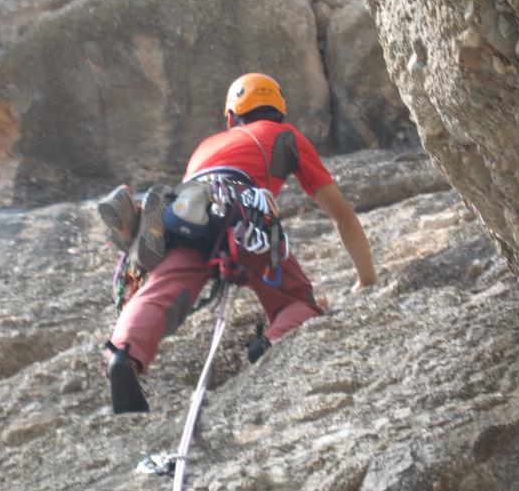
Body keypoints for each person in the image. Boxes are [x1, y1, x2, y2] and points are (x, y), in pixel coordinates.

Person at [99, 73, 377, 414]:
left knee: (158, 291)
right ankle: (271, 342)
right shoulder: (284, 135)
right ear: (279, 112)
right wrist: (367, 280)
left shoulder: (206, 146)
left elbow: (200, 206)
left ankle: (124, 355)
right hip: (243, 211)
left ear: (231, 118)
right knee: (296, 300)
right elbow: (342, 216)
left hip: (184, 213)